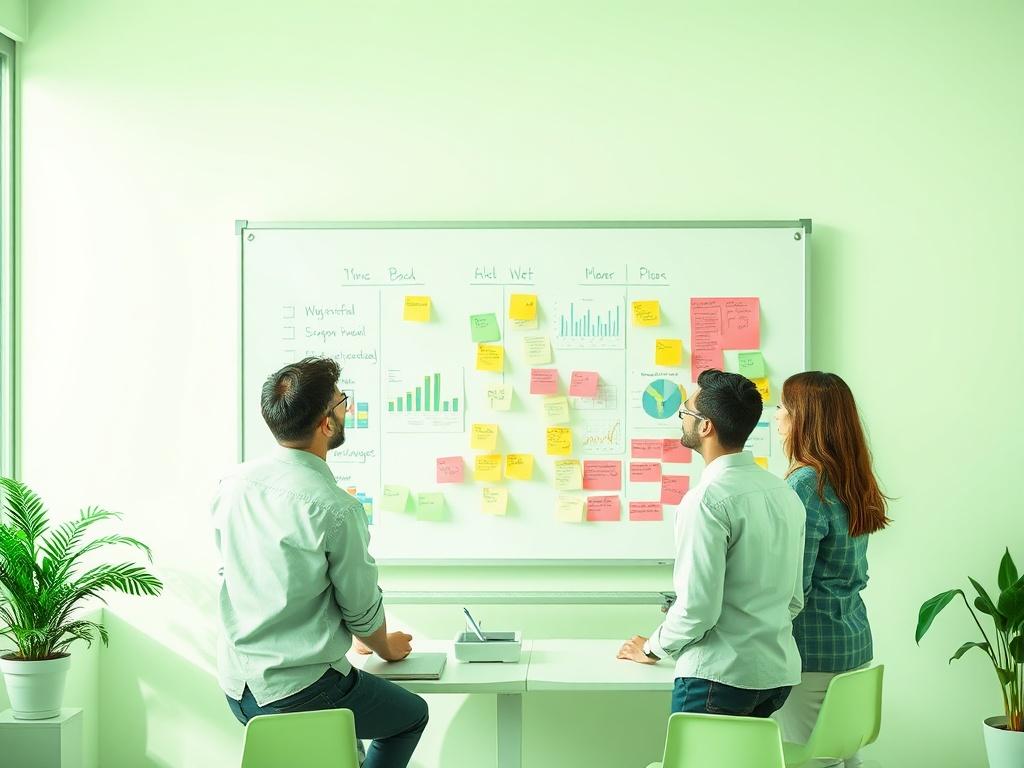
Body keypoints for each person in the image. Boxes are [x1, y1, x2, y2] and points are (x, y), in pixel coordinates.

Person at [212, 357, 428, 768]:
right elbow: (362, 609)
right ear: (327, 424)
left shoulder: (233, 484)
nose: (346, 408)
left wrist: (358, 635)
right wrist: (385, 645)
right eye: (342, 401)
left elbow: (243, 575)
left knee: (347, 745)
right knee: (410, 716)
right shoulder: (336, 509)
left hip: (238, 689)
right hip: (299, 694)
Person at [618, 369, 806, 718]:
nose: (682, 419)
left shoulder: (706, 500)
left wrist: (653, 648)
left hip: (718, 679)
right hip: (775, 676)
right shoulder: (784, 493)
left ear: (705, 427)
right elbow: (794, 599)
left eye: (686, 412)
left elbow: (697, 611)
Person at [773, 372, 890, 767]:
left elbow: (791, 590)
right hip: (854, 644)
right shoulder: (852, 477)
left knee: (811, 762)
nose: (776, 418)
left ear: (804, 420)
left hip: (812, 653)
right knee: (844, 757)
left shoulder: (805, 484)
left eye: (783, 409)